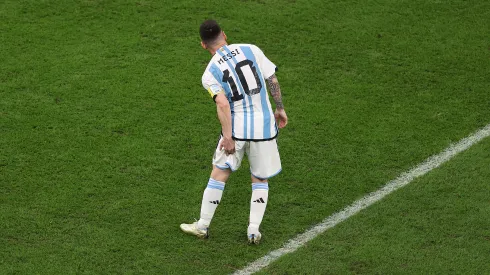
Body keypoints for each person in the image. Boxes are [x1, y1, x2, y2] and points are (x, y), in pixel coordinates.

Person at [180, 19, 288, 244]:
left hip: (237, 130)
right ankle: (253, 230)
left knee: (219, 172)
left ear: (203, 45)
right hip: (265, 128)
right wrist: (279, 108)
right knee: (260, 177)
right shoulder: (251, 49)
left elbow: (222, 104)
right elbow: (272, 79)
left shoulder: (210, 72)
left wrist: (227, 137)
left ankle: (202, 226)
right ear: (224, 34)